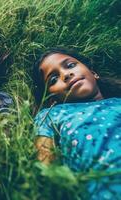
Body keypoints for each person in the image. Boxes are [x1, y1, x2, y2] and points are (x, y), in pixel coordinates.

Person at [32, 47, 121, 199]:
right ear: (52, 98)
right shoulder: (51, 115)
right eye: (53, 79)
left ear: (93, 73)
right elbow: (45, 169)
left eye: (70, 65)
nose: (66, 74)